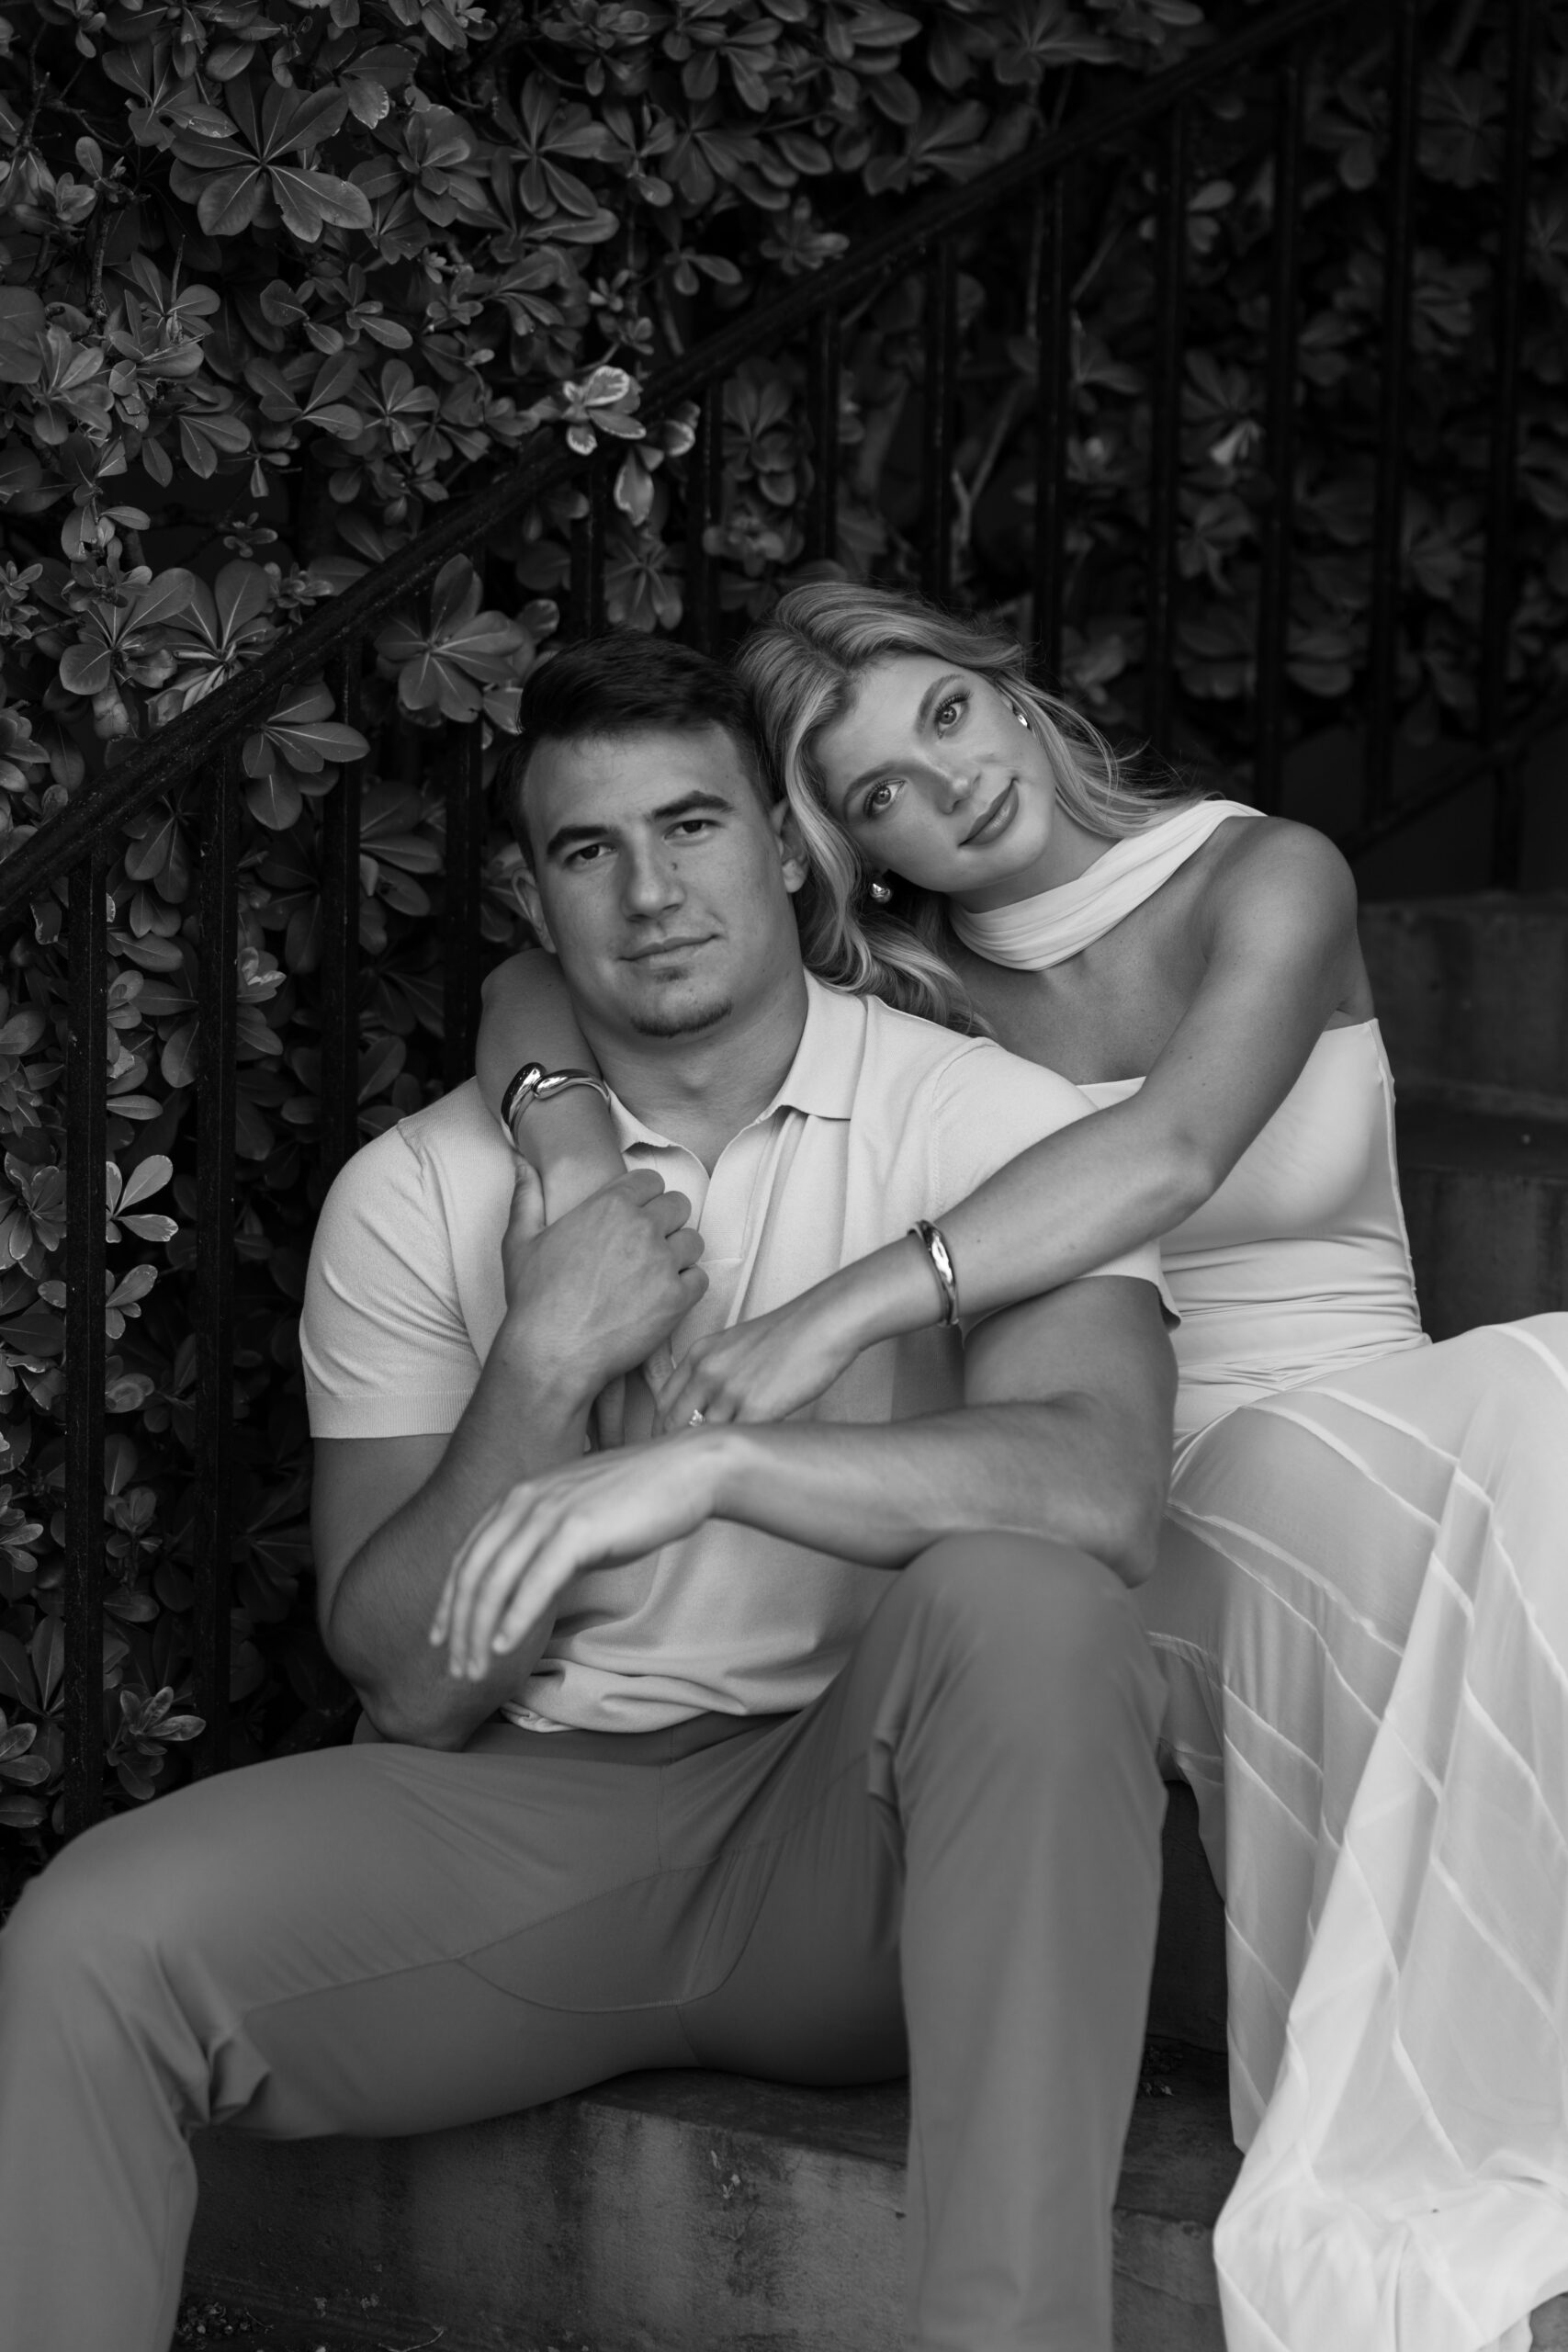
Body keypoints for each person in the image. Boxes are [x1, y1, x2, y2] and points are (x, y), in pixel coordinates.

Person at [0, 630, 1180, 2352]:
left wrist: (717, 1460)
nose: (651, 890)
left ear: (784, 845)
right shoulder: (423, 1190)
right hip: (523, 1832)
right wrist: (546, 1362)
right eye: (588, 850)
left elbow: (1101, 1493)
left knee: (1033, 1601)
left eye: (692, 826)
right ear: (532, 901)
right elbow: (408, 1680)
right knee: (80, 1946)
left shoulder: (989, 1123)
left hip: (860, 1836)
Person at [475, 583, 1568, 2352]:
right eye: (880, 789)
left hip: (1385, 1445)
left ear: (1011, 693)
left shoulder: (1266, 873)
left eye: (946, 719)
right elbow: (541, 970)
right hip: (1142, 1491)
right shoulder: (906, 993)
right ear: (845, 848)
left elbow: (1173, 1146)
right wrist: (567, 1139)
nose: (946, 786)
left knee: (1545, 1408)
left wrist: (831, 1319)